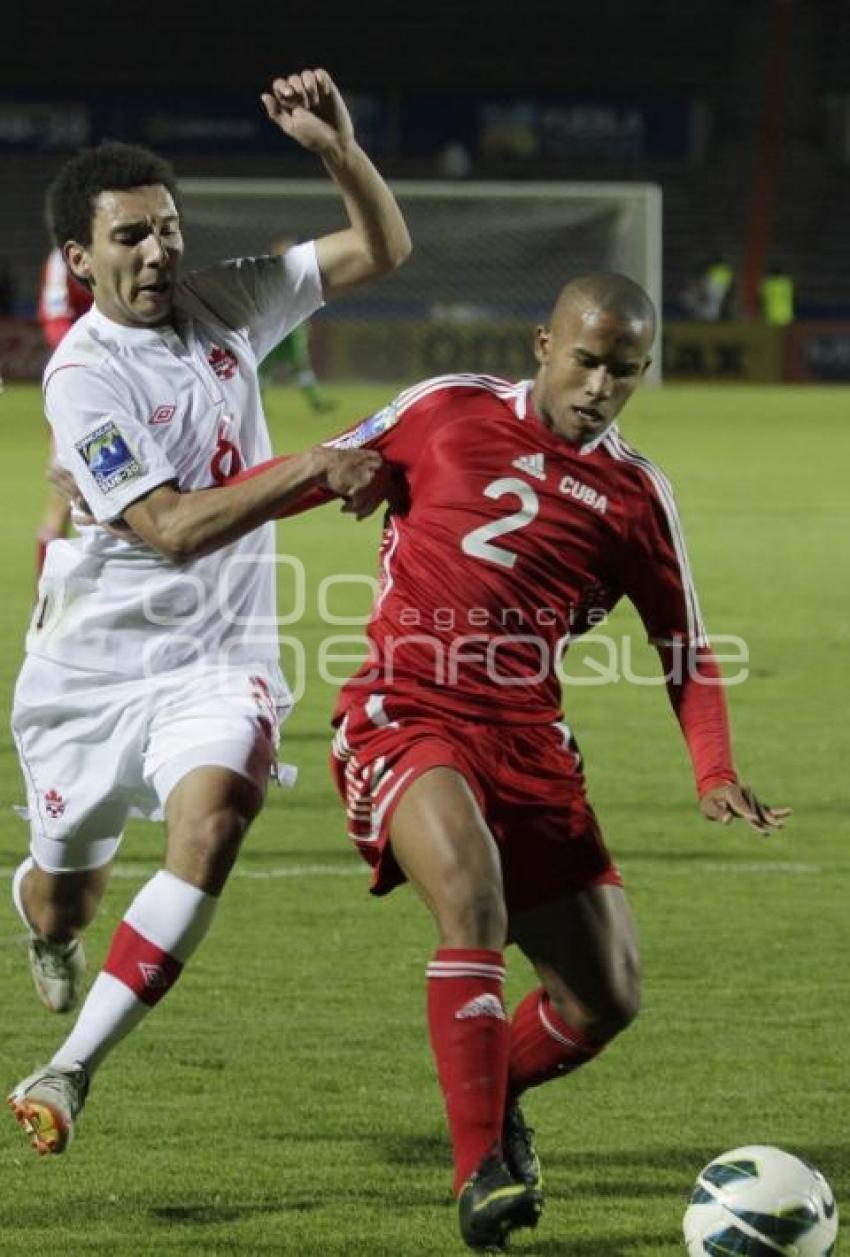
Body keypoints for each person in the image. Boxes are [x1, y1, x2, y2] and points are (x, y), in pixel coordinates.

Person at [236, 273, 789, 1248]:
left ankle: (491, 1092)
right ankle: (478, 1175)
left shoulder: (634, 495)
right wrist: (222, 511)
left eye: (623, 371)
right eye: (585, 360)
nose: (598, 386)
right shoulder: (444, 407)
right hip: (403, 709)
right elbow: (316, 465)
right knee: (471, 897)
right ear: (543, 344)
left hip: (528, 741)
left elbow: (684, 647)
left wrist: (712, 771)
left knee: (603, 997)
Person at [7, 66, 410, 1158]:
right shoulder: (84, 380)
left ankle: (69, 1069)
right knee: (66, 897)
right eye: (130, 237)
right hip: (90, 673)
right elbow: (174, 529)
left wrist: (337, 148)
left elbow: (380, 250)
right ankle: (41, 918)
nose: (157, 253)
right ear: (80, 259)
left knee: (220, 813)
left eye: (169, 230)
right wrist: (314, 469)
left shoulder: (229, 298)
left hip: (217, 657)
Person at [35, 247, 94, 578]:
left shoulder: (124, 250)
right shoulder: (62, 259)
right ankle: (45, 605)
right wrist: (86, 354)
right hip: (77, 389)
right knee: (64, 500)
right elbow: (53, 319)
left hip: (127, 386)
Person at [259, 235, 338, 411]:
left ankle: (316, 402)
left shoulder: (273, 276)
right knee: (290, 367)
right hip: (283, 329)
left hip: (280, 328)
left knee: (278, 367)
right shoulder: (283, 277)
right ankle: (315, 402)